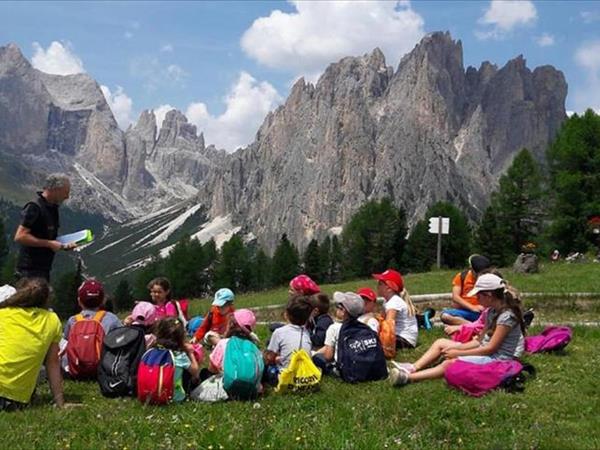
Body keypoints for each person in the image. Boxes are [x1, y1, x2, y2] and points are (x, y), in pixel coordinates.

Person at [389, 273, 525, 386]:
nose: (476, 298)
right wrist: (459, 349)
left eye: (478, 295)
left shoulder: (507, 317)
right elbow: (479, 341)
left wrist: (458, 353)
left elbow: (490, 349)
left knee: (450, 363)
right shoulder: (491, 311)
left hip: (498, 359)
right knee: (441, 343)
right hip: (486, 352)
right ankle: (413, 367)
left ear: (489, 295)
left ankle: (408, 378)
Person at [0, 278, 67, 409]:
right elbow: (52, 363)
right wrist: (60, 402)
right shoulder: (52, 320)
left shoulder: (4, 313)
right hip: (14, 402)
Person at [13, 173, 75, 282]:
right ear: (56, 189)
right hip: (29, 270)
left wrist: (63, 246)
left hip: (43, 269)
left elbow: (47, 236)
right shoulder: (34, 207)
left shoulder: (52, 208)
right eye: (66, 192)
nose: (67, 197)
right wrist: (49, 244)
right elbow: (20, 236)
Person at [61, 279, 122, 375]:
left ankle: (68, 366)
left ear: (79, 301)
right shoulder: (111, 318)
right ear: (102, 301)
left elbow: (65, 342)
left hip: (75, 368)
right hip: (103, 369)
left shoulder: (73, 320)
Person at [312, 291, 365, 375]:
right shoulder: (364, 326)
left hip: (346, 369)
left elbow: (328, 356)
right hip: (362, 363)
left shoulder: (334, 328)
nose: (336, 309)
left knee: (317, 358)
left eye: (338, 307)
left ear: (343, 311)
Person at [264, 295, 312, 382]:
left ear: (287, 314)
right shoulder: (306, 332)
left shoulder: (279, 332)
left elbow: (269, 359)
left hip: (286, 377)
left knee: (265, 364)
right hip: (304, 375)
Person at [151, 318, 200, 402]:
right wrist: (190, 353)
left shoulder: (151, 351)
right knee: (190, 374)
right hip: (173, 398)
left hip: (151, 396)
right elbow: (195, 371)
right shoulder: (178, 355)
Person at [205, 309, 260, 376]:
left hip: (228, 384)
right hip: (251, 384)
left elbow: (212, 369)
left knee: (204, 373)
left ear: (231, 325)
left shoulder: (223, 343)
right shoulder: (253, 346)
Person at [373, 269, 418, 349]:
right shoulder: (387, 301)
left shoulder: (394, 302)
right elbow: (381, 320)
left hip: (405, 339)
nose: (377, 286)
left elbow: (388, 325)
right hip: (400, 337)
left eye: (380, 284)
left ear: (389, 288)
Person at [441, 254, 491, 325]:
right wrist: (472, 307)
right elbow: (455, 297)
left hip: (485, 312)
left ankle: (473, 326)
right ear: (471, 268)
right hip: (467, 311)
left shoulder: (491, 279)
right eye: (477, 274)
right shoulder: (462, 276)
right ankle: (473, 326)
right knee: (445, 316)